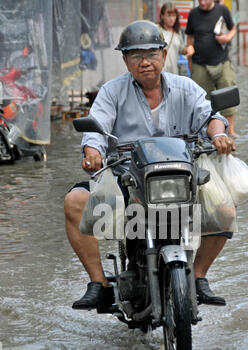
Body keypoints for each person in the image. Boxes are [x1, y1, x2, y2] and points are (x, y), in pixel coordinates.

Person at [64, 20, 235, 311]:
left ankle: (198, 276)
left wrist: (219, 134)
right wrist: (92, 151)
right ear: (125, 60)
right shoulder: (112, 92)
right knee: (74, 201)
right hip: (128, 179)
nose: (145, 62)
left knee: (226, 210)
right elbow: (96, 129)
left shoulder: (186, 87)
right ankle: (99, 284)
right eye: (136, 56)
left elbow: (210, 117)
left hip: (179, 179)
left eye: (152, 55)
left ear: (164, 56)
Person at [185, 0, 238, 138]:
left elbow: (233, 29)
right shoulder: (193, 13)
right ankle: (204, 132)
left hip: (222, 60)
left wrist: (226, 38)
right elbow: (190, 36)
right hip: (200, 63)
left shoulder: (222, 10)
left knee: (227, 93)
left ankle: (231, 131)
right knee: (199, 98)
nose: (202, 2)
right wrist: (189, 58)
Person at [158, 2, 187, 74]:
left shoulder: (177, 32)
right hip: (160, 71)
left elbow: (182, 50)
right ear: (162, 16)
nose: (172, 19)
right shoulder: (157, 30)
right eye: (169, 16)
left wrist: (189, 48)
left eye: (174, 16)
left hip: (174, 72)